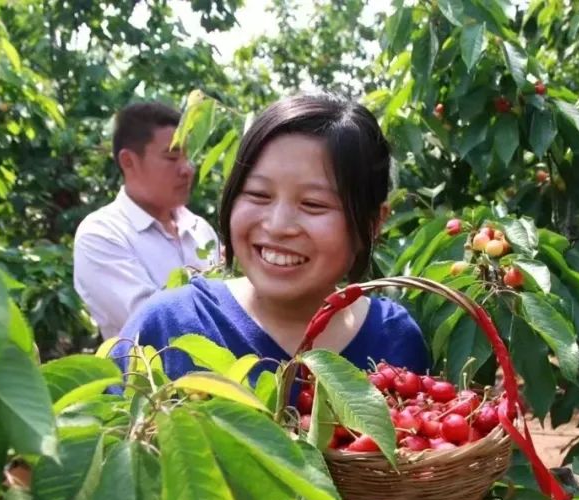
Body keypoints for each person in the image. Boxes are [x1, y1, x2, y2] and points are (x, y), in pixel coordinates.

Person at [114, 94, 429, 383]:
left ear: (373, 224)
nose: (278, 226)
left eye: (313, 204)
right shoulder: (168, 326)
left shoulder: (394, 338)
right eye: (258, 194)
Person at [73, 101, 220, 339]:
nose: (187, 169)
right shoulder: (101, 234)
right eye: (172, 157)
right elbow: (157, 324)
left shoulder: (200, 229)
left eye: (188, 156)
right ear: (128, 161)